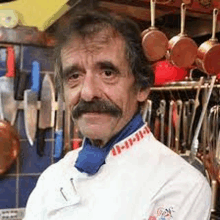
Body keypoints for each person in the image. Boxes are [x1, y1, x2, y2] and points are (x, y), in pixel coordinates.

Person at [24, 10, 211, 220]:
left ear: (141, 87)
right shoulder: (52, 178)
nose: (88, 92)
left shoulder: (180, 186)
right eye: (74, 76)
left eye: (107, 73)